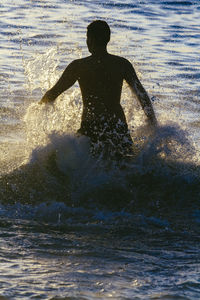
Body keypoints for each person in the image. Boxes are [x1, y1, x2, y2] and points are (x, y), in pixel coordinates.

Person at [39, 20, 157, 158]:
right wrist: (153, 122)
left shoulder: (79, 66)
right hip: (117, 126)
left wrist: (38, 110)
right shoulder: (121, 64)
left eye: (87, 38)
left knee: (89, 171)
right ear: (108, 39)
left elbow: (53, 93)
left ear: (91, 39)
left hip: (91, 127)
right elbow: (141, 95)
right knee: (125, 167)